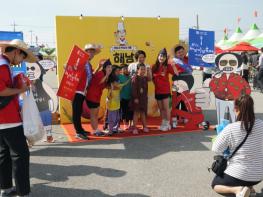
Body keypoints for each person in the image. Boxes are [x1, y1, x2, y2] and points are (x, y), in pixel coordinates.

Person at [0, 39, 37, 197]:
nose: (21, 61)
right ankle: (23, 192)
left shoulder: (3, 63)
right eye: (22, 57)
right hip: (8, 118)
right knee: (20, 155)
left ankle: (6, 188)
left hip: (3, 119)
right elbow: (2, 91)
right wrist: (21, 89)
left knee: (4, 154)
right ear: (16, 52)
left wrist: (18, 84)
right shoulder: (3, 65)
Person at [211, 95, 263, 197]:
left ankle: (238, 190)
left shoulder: (231, 128)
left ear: (235, 109)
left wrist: (220, 134)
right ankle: (250, 188)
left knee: (215, 184)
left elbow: (216, 148)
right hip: (259, 175)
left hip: (238, 174)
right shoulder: (261, 124)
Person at [72, 43, 101, 140]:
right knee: (76, 111)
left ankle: (80, 129)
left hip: (83, 91)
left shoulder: (88, 64)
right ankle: (78, 132)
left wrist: (99, 67)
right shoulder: (81, 61)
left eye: (93, 53)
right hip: (76, 90)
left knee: (79, 111)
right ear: (85, 52)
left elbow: (91, 76)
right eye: (90, 52)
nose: (91, 54)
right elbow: (69, 66)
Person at [152, 48, 179, 131]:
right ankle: (163, 123)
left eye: (163, 57)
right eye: (160, 56)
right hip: (157, 91)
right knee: (161, 109)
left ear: (165, 58)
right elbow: (152, 78)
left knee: (166, 108)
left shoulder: (167, 66)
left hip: (165, 91)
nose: (161, 58)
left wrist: (173, 65)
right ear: (158, 56)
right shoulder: (154, 66)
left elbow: (176, 74)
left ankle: (167, 124)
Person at [85, 59, 112, 136]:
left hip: (96, 96)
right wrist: (107, 75)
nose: (110, 68)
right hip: (91, 96)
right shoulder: (101, 73)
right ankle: (95, 130)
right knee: (93, 114)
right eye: (108, 67)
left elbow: (104, 86)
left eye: (111, 67)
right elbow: (99, 82)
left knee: (95, 114)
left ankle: (96, 129)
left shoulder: (106, 74)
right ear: (104, 68)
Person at [105, 66, 130, 135]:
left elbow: (119, 86)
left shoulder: (117, 78)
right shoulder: (111, 79)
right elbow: (116, 87)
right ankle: (110, 130)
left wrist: (128, 80)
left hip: (116, 100)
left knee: (117, 116)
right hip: (111, 101)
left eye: (119, 70)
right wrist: (127, 81)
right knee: (111, 117)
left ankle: (115, 129)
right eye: (117, 71)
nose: (118, 72)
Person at [131, 63, 152, 134]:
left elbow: (150, 78)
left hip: (143, 98)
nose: (143, 71)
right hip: (137, 98)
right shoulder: (135, 77)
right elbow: (133, 89)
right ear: (137, 70)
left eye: (144, 69)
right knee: (136, 113)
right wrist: (135, 98)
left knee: (143, 113)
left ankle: (145, 126)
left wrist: (149, 70)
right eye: (141, 69)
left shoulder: (145, 78)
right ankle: (134, 128)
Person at [118, 64, 133, 130]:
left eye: (127, 68)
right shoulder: (119, 76)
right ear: (121, 70)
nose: (126, 70)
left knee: (130, 111)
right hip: (122, 98)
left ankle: (130, 124)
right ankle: (125, 124)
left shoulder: (130, 76)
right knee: (123, 112)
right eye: (124, 69)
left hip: (130, 97)